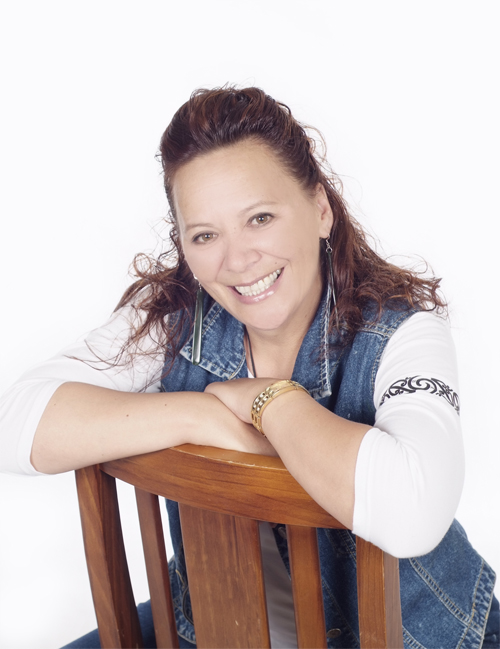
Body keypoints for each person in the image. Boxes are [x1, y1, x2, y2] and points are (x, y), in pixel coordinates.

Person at [0, 86, 498, 649]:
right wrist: (203, 417)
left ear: (321, 210)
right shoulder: (173, 320)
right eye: (205, 235)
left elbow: (413, 514)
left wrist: (270, 401)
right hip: (209, 629)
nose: (237, 260)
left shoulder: (402, 335)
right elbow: (15, 422)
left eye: (260, 218)